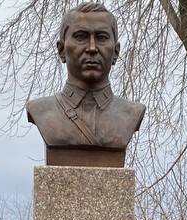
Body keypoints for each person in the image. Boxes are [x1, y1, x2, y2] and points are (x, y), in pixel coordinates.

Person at [25, 2, 145, 153]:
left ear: (115, 52)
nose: (92, 48)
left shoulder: (131, 113)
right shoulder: (41, 111)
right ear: (62, 50)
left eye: (101, 37)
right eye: (80, 37)